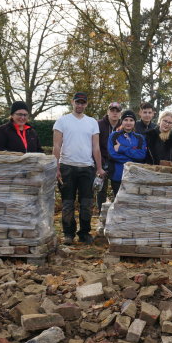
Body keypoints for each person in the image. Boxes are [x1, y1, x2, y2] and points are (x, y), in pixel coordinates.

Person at [53, 92, 105, 245]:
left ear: (86, 104)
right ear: (72, 102)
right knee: (68, 203)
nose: (80, 105)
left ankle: (84, 233)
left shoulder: (92, 122)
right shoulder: (62, 121)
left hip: (86, 168)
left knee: (86, 203)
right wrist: (55, 168)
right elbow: (56, 146)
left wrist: (99, 167)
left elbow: (96, 147)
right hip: (67, 167)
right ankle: (68, 234)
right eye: (77, 102)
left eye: (83, 102)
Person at [108, 110, 147, 194]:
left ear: (134, 122)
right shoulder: (114, 135)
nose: (128, 122)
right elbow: (113, 154)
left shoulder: (140, 138)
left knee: (133, 203)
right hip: (118, 176)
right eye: (126, 120)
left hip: (135, 176)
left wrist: (122, 148)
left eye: (131, 120)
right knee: (119, 203)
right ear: (121, 121)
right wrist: (133, 159)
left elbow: (141, 155)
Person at [97, 102, 122, 210]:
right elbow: (95, 145)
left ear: (120, 113)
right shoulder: (99, 124)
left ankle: (116, 216)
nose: (115, 113)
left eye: (117, 111)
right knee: (101, 191)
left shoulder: (124, 125)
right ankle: (100, 215)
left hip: (116, 163)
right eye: (112, 110)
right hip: (102, 161)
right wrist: (98, 164)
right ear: (108, 112)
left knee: (118, 190)